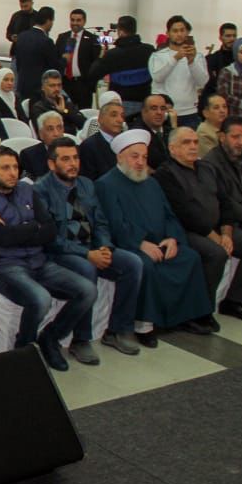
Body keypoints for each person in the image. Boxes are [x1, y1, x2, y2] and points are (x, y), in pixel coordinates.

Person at [0, 146, 98, 369]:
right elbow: (2, 238)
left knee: (88, 291)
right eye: (5, 168)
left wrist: (17, 230)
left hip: (38, 262)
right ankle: (24, 350)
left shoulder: (27, 190)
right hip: (2, 267)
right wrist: (32, 226)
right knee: (41, 299)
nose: (12, 173)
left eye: (15, 167)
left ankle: (50, 338)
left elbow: (49, 230)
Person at [94, 130, 214, 346]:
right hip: (129, 245)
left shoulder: (151, 182)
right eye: (134, 156)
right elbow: (114, 224)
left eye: (144, 157)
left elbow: (169, 215)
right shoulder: (106, 184)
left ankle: (184, 317)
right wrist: (140, 244)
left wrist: (172, 238)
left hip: (160, 242)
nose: (140, 162)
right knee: (145, 265)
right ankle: (144, 325)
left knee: (190, 257)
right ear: (120, 157)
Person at [35, 137, 143, 354]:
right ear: (52, 164)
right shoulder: (40, 190)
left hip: (92, 246)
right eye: (65, 159)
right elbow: (51, 238)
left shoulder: (86, 184)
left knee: (133, 263)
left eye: (75, 158)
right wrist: (88, 254)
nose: (73, 164)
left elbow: (101, 222)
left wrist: (104, 247)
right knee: (87, 268)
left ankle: (118, 330)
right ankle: (81, 339)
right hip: (61, 252)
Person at [156, 127, 242, 323]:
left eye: (195, 142)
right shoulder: (165, 174)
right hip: (188, 231)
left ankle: (234, 301)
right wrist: (215, 237)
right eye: (186, 143)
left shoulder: (207, 168)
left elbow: (225, 202)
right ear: (172, 148)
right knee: (216, 253)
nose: (193, 146)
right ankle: (201, 311)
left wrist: (226, 233)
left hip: (218, 228)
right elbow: (185, 213)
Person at [148, 16, 208, 127]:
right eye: (175, 31)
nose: (179, 34)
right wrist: (176, 58)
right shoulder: (158, 56)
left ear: (187, 32)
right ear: (168, 33)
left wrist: (191, 62)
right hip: (164, 113)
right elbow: (157, 78)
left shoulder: (198, 56)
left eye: (182, 30)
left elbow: (202, 82)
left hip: (190, 112)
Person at [87, 15, 153, 109]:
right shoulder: (149, 50)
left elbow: (93, 74)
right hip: (144, 102)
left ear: (120, 31)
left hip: (119, 103)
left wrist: (101, 57)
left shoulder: (112, 55)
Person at [13, 8, 63, 109]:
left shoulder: (21, 36)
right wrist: (65, 60)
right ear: (48, 21)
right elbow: (54, 67)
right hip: (39, 89)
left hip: (22, 84)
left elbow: (18, 62)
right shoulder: (46, 41)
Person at [55, 9, 101, 108]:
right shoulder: (62, 37)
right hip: (65, 83)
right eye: (72, 20)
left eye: (78, 20)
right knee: (65, 111)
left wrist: (91, 84)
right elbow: (56, 58)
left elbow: (96, 63)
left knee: (83, 112)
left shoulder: (92, 39)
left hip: (83, 84)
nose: (75, 23)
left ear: (84, 21)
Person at [80, 94, 126, 180]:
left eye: (122, 116)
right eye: (114, 115)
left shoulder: (126, 144)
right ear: (100, 119)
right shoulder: (89, 146)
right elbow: (88, 181)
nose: (120, 120)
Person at [125, 93, 175, 170]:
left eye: (162, 109)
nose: (159, 112)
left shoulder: (169, 131)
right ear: (144, 112)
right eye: (154, 108)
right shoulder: (136, 135)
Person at [29, 71, 86, 135]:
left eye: (59, 85)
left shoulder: (66, 102)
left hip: (72, 138)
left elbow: (84, 123)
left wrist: (64, 111)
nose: (57, 89)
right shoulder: (38, 107)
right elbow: (47, 131)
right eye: (52, 86)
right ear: (43, 88)